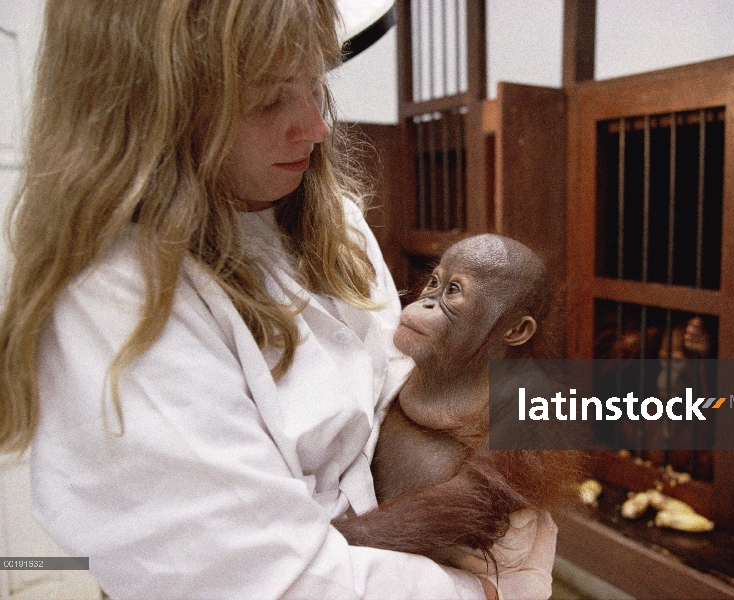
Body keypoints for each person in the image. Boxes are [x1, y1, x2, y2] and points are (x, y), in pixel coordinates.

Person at [0, 1, 555, 598]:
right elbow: (265, 579)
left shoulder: (329, 215)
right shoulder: (120, 297)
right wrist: (492, 592)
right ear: (155, 112)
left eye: (316, 82)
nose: (316, 127)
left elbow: (389, 380)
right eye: (267, 99)